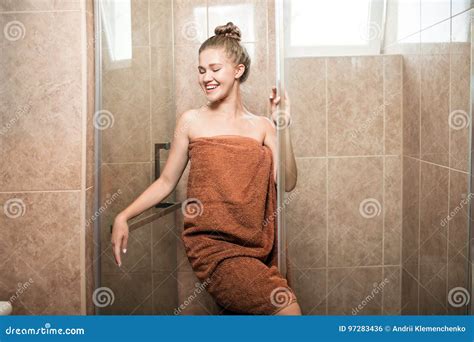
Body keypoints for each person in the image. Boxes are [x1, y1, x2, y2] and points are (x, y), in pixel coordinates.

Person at [111, 22, 300, 315]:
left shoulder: (262, 126)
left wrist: (282, 125)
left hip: (257, 247)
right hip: (212, 248)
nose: (206, 78)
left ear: (238, 70)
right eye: (201, 71)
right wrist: (123, 215)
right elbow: (166, 181)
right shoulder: (191, 121)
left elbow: (286, 182)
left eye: (214, 69)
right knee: (285, 309)